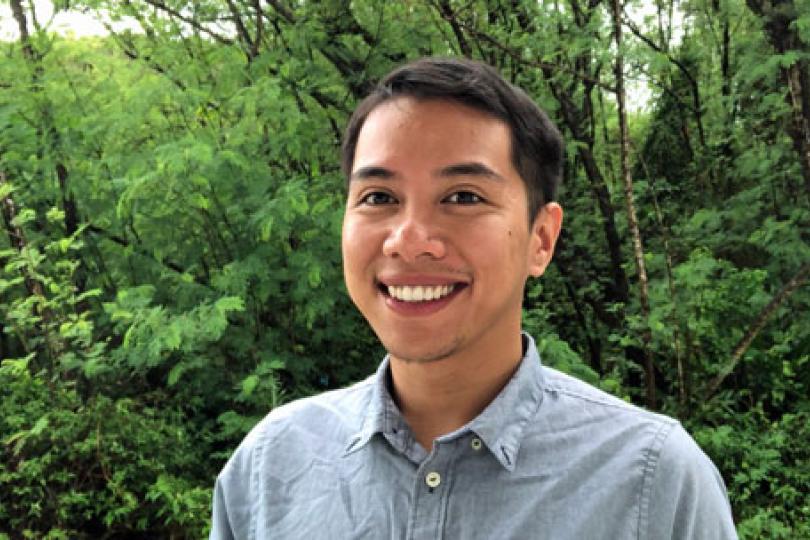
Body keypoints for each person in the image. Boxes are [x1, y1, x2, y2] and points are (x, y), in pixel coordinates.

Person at [210, 57, 738, 539]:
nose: (408, 239)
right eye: (379, 198)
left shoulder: (653, 483)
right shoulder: (269, 467)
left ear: (541, 239)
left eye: (463, 197)